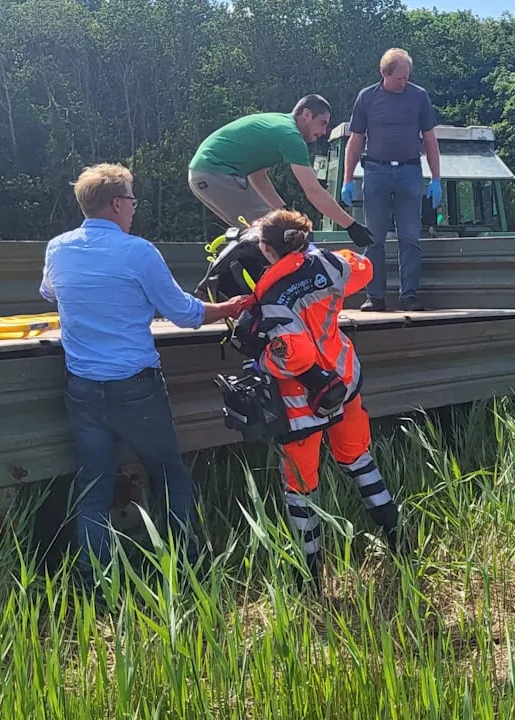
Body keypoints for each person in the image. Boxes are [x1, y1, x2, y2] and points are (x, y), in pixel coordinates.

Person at [40, 163, 253, 593]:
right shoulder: (138, 252)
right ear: (117, 204)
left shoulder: (58, 248)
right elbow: (184, 313)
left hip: (82, 388)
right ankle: (187, 569)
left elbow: (49, 292)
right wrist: (230, 309)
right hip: (135, 386)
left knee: (93, 486)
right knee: (169, 472)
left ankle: (95, 586)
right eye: (132, 201)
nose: (134, 209)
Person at [235, 209, 403, 592]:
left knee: (299, 486)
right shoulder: (328, 264)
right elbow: (362, 270)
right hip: (344, 381)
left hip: (301, 402)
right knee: (359, 461)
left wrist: (259, 357)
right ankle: (399, 542)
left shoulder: (273, 294)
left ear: (265, 249)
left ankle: (308, 579)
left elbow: (292, 356)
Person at [188, 95, 374, 247]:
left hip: (204, 173)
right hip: (217, 173)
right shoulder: (290, 136)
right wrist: (351, 225)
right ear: (306, 115)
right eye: (323, 123)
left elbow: (258, 177)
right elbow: (313, 191)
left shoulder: (279, 126)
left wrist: (284, 210)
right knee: (275, 232)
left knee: (264, 231)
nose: (324, 131)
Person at [341, 48, 442, 312]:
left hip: (410, 172)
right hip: (376, 172)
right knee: (373, 237)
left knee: (410, 237)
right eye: (399, 78)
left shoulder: (419, 97)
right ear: (384, 74)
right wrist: (347, 179)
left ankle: (409, 294)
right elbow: (356, 140)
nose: (403, 82)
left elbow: (430, 138)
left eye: (407, 77)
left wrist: (436, 179)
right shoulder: (367, 98)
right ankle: (375, 296)